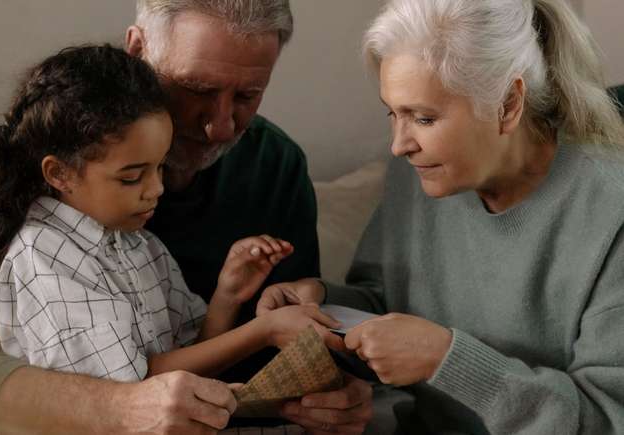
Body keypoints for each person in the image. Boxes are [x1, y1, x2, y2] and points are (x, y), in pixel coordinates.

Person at [0, 1, 373, 434]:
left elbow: (291, 337)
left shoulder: (272, 169)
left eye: (248, 95)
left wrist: (333, 390)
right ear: (137, 50)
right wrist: (118, 407)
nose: (221, 126)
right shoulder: (51, 171)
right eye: (197, 89)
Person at [257, 0, 624, 433]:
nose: (399, 145)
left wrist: (447, 359)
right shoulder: (419, 176)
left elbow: (606, 419)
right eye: (393, 113)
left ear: (508, 104)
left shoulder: (610, 212)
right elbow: (389, 301)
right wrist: (323, 302)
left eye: (424, 118)